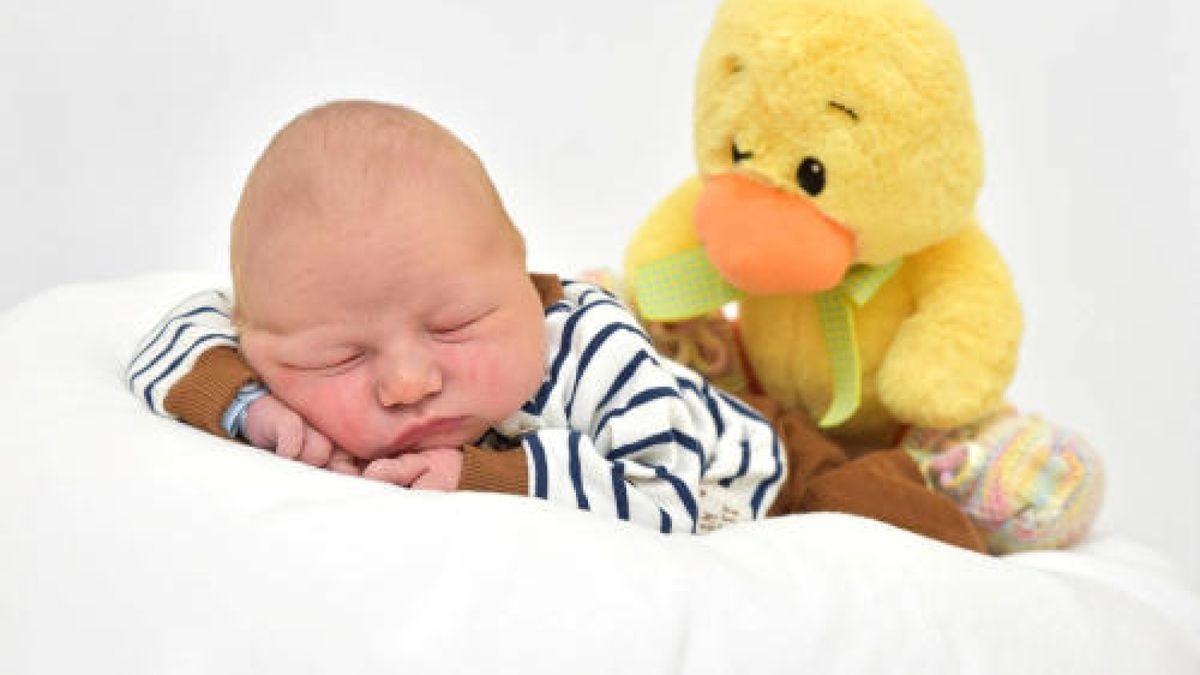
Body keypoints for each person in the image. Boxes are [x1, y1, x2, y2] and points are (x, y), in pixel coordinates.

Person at [126, 99, 984, 546]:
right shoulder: (276, 352)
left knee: (876, 513)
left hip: (766, 465)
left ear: (521, 272)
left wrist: (492, 473)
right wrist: (249, 405)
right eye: (339, 357)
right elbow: (174, 335)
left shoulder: (591, 352)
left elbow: (668, 497)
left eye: (457, 324)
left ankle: (965, 487)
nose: (408, 380)